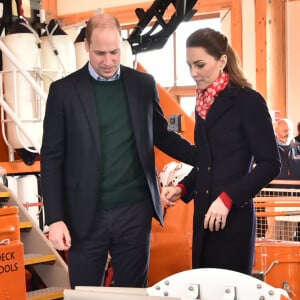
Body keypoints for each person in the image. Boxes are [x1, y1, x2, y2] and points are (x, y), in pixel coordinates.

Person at [40, 13, 196, 288]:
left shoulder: (143, 85)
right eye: (100, 53)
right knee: (86, 292)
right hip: (84, 215)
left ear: (121, 45)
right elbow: (52, 158)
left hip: (134, 213)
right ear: (87, 45)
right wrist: (55, 219)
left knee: (133, 292)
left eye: (114, 52)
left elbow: (162, 135)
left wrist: (205, 156)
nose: (109, 61)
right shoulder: (63, 91)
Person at [160, 28, 281, 275]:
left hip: (233, 219)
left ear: (222, 61)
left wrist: (228, 198)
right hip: (204, 217)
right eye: (189, 65)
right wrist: (182, 188)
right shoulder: (203, 104)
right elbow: (208, 161)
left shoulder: (248, 101)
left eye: (200, 65)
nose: (193, 73)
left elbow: (270, 163)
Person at [265, 118, 300, 240]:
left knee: (290, 234)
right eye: (285, 130)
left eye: (290, 130)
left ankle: (286, 259)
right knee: (273, 232)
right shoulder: (269, 149)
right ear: (276, 130)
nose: (288, 133)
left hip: (294, 198)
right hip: (273, 197)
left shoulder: (298, 148)